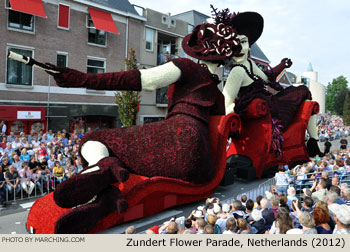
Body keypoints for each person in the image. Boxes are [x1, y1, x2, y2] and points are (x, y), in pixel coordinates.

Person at [42, 6, 245, 233]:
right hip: (200, 163)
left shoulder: (187, 67)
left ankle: (101, 168)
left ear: (197, 51)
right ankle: (107, 199)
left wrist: (82, 79)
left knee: (94, 139)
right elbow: (228, 117)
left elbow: (142, 79)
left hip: (176, 136)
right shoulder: (216, 92)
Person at [221, 10, 322, 157]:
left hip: (270, 104)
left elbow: (267, 77)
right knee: (301, 91)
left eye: (243, 42)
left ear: (249, 45)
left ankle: (314, 141)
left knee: (301, 90)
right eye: (235, 44)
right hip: (268, 111)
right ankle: (314, 142)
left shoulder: (249, 64)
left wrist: (282, 65)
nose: (240, 48)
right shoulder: (238, 71)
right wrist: (234, 117)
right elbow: (226, 102)